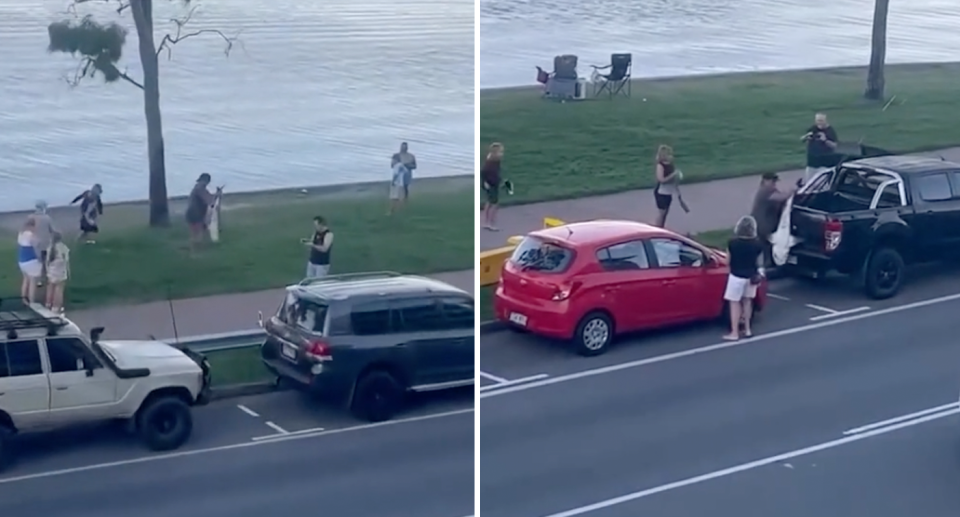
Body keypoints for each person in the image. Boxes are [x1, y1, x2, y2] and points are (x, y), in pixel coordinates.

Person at [723, 215, 765, 341]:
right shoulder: (757, 244)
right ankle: (747, 330)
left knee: (734, 303)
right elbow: (760, 263)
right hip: (751, 277)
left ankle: (734, 332)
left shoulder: (732, 243)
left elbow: (727, 261)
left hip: (736, 276)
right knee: (747, 302)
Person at [750, 172, 797, 269]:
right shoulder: (765, 191)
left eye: (775, 181)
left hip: (761, 225)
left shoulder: (768, 190)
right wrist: (793, 191)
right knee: (768, 246)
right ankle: (768, 268)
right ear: (765, 181)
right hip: (764, 226)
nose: (774, 184)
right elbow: (781, 198)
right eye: (772, 181)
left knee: (765, 248)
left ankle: (767, 266)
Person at [801, 113, 838, 183]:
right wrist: (807, 137)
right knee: (809, 183)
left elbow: (835, 146)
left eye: (821, 120)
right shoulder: (813, 128)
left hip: (824, 163)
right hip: (812, 162)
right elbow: (802, 139)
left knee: (822, 183)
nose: (819, 123)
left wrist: (825, 140)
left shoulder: (830, 130)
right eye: (818, 120)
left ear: (825, 120)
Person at [185, 173, 217, 252]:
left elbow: (209, 198)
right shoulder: (200, 189)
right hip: (195, 214)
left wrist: (216, 195)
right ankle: (195, 252)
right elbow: (209, 201)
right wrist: (216, 197)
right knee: (197, 235)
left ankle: (199, 250)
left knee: (201, 233)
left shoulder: (199, 188)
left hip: (196, 213)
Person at [653, 144, 682, 228]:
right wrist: (673, 175)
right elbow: (661, 179)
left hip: (668, 192)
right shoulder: (660, 165)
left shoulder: (670, 165)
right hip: (661, 192)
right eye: (669, 154)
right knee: (661, 213)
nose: (671, 156)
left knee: (665, 213)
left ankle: (662, 228)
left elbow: (672, 178)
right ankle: (657, 229)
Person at [17, 217, 43, 303]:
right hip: (30, 260)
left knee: (25, 280)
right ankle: (32, 301)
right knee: (32, 282)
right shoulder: (31, 235)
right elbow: (36, 245)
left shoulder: (21, 234)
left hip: (22, 260)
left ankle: (24, 299)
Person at [31, 200, 56, 286]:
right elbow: (52, 230)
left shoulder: (31, 217)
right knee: (46, 262)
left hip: (34, 243)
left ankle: (38, 280)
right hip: (45, 243)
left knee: (37, 262)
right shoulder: (47, 218)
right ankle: (47, 278)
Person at [44, 231, 70, 314]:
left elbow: (47, 261)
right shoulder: (63, 248)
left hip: (51, 271)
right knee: (59, 290)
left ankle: (48, 304)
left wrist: (47, 270)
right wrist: (69, 272)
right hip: (61, 272)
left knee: (50, 288)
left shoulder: (49, 248)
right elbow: (66, 261)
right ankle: (56, 307)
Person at [481, 143, 504, 231]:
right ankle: (490, 223)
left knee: (489, 202)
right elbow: (483, 172)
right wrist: (485, 182)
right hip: (491, 184)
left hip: (493, 183)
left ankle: (486, 222)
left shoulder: (495, 160)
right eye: (500, 152)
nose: (502, 154)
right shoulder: (492, 161)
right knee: (494, 204)